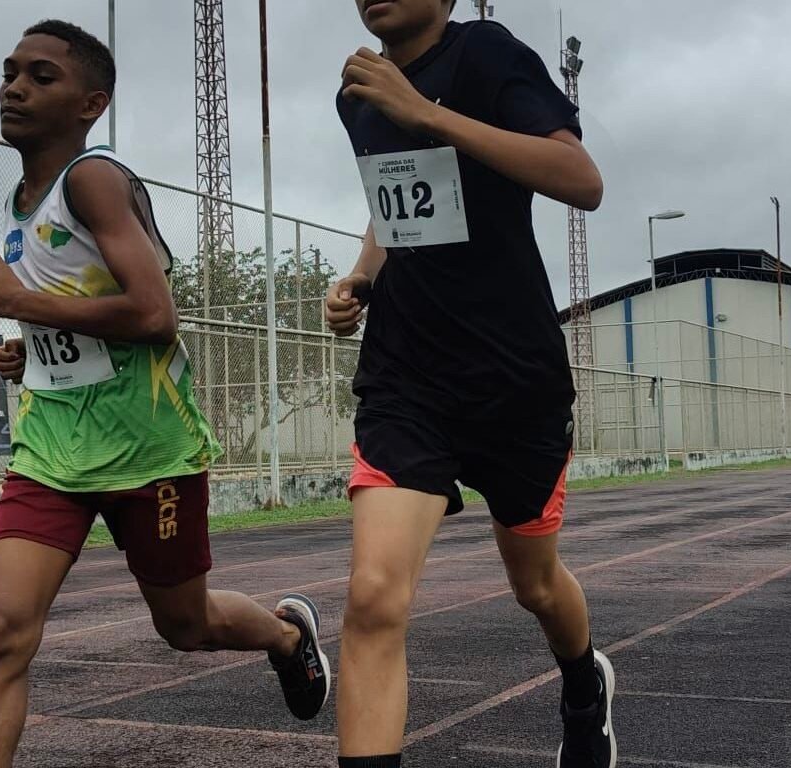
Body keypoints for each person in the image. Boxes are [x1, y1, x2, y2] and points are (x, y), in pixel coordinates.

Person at [0, 20, 328, 767]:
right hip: (52, 451)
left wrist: (18, 303)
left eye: (40, 76)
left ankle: (288, 635)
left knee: (185, 627)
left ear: (91, 104)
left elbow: (155, 316)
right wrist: (32, 353)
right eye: (9, 72)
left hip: (148, 449)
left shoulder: (93, 179)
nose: (14, 87)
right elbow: (81, 311)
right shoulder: (23, 200)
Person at [326, 1, 613, 766]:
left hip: (513, 381)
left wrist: (427, 113)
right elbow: (395, 202)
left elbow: (582, 180)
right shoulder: (360, 94)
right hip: (406, 379)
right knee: (373, 594)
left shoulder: (484, 53)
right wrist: (360, 277)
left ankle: (583, 687)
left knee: (536, 588)